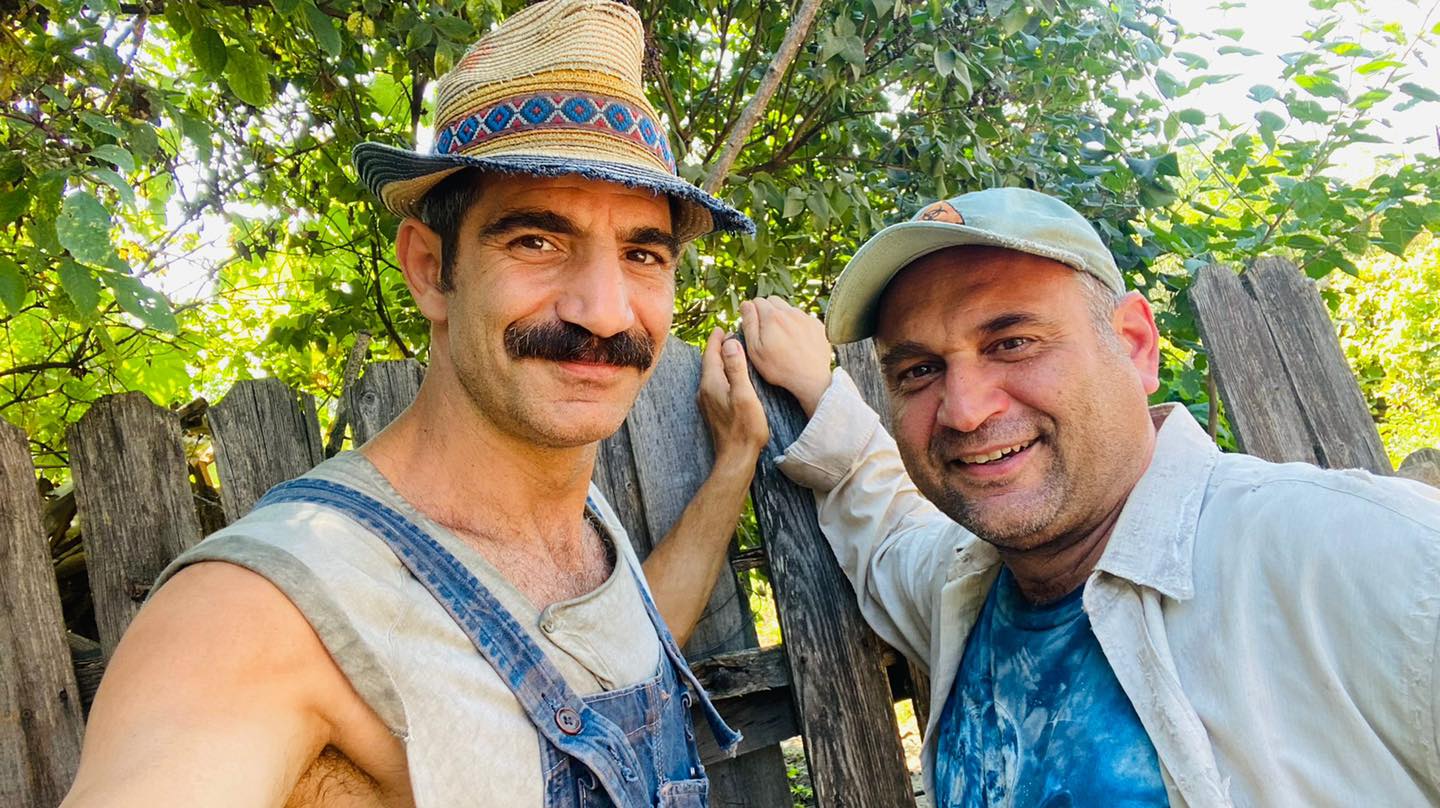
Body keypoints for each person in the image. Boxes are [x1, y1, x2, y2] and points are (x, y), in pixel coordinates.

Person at [61, 2, 768, 806]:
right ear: (431, 269)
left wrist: (735, 463)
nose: (605, 313)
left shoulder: (579, 526)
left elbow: (611, 654)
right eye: (537, 241)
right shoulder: (260, 614)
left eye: (643, 254)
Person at [741, 187, 1440, 807]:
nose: (965, 411)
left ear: (1134, 344)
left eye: (1012, 342)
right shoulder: (963, 590)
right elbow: (886, 522)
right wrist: (820, 391)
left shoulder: (1362, 558)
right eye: (920, 370)